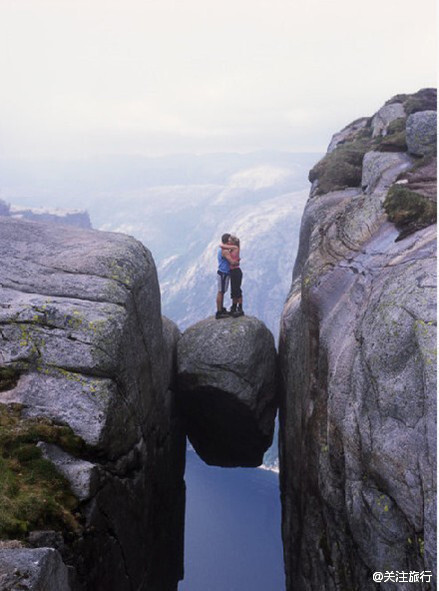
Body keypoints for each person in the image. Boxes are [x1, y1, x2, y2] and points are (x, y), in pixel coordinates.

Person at [218, 235, 244, 317]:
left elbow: (221, 245)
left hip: (235, 271)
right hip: (231, 272)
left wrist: (235, 262)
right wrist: (236, 262)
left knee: (237, 290)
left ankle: (239, 308)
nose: (229, 242)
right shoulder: (229, 250)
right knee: (233, 290)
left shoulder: (235, 248)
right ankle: (233, 307)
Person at [216, 232, 232, 319]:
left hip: (223, 273)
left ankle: (221, 309)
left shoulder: (223, 249)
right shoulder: (224, 251)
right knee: (221, 292)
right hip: (223, 273)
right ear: (227, 241)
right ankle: (219, 312)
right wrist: (237, 262)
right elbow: (231, 261)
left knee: (222, 291)